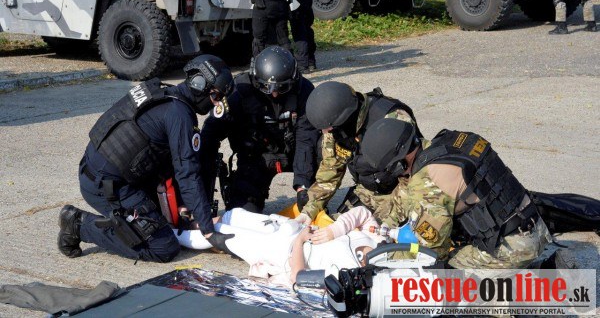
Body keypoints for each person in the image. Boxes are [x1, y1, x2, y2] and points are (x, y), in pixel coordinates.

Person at [57, 55, 236, 263]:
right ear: (201, 86)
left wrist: (185, 209)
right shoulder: (179, 115)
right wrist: (208, 231)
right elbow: (188, 174)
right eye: (216, 96)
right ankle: (79, 225)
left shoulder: (163, 93)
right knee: (163, 246)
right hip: (108, 188)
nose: (216, 104)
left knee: (171, 218)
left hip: (101, 171)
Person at [360, 117, 553, 269]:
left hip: (515, 247)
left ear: (398, 164)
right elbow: (406, 197)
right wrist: (385, 224)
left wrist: (383, 256)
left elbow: (428, 252)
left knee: (442, 273)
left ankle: (529, 292)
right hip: (533, 223)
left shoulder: (427, 183)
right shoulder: (451, 142)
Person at [200, 46, 320, 213]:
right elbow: (211, 132)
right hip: (255, 158)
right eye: (267, 87)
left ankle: (316, 192)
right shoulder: (239, 91)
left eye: (281, 88)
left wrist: (303, 185)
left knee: (322, 146)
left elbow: (306, 139)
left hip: (295, 151)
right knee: (242, 215)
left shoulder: (304, 90)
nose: (274, 94)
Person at [296, 81, 421, 225]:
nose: (325, 133)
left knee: (373, 233)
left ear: (346, 117)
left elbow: (411, 177)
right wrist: (309, 210)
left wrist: (386, 223)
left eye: (328, 129)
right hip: (369, 190)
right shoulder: (336, 127)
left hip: (404, 190)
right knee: (338, 225)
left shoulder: (393, 120)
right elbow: (330, 171)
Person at [174, 206, 384, 287]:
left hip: (281, 251)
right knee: (234, 215)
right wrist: (335, 230)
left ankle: (169, 235)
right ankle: (181, 217)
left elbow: (298, 277)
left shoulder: (351, 275)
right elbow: (363, 213)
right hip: (289, 228)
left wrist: (300, 241)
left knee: (220, 234)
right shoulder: (378, 242)